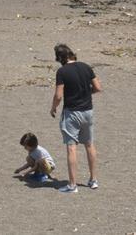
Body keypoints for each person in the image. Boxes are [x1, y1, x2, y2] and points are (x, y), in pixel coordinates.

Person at [49, 43, 102, 193]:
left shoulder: (62, 72)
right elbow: (98, 88)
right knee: (89, 145)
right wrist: (85, 93)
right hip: (88, 112)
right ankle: (93, 180)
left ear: (60, 58)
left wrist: (53, 108)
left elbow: (59, 95)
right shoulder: (86, 67)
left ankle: (72, 185)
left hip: (72, 113)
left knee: (71, 148)